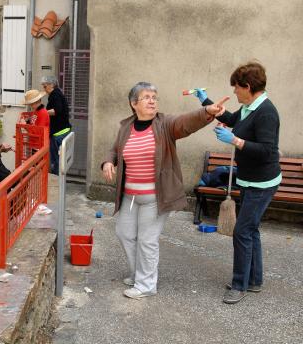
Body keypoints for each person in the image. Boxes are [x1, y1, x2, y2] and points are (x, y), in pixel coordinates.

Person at [101, 81, 226, 300]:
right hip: (130, 196)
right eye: (146, 97)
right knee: (124, 233)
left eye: (154, 97)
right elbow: (114, 150)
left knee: (147, 240)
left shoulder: (165, 124)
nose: (152, 101)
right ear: (133, 104)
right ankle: (137, 273)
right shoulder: (126, 127)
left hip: (155, 197)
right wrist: (108, 162)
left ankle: (146, 284)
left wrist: (207, 111)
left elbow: (185, 122)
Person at [193, 62, 281, 304]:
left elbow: (266, 151)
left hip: (262, 183)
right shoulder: (249, 107)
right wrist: (205, 100)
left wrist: (235, 141)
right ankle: (254, 280)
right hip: (249, 179)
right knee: (250, 230)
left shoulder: (266, 113)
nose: (234, 92)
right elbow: (232, 118)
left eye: (236, 88)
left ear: (248, 86)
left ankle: (239, 285)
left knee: (242, 231)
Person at [41, 76, 72, 174]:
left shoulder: (55, 95)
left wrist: (43, 112)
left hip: (59, 132)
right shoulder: (57, 93)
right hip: (62, 130)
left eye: (45, 86)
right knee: (58, 159)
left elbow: (57, 110)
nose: (44, 89)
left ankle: (57, 180)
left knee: (56, 160)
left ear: (51, 85)